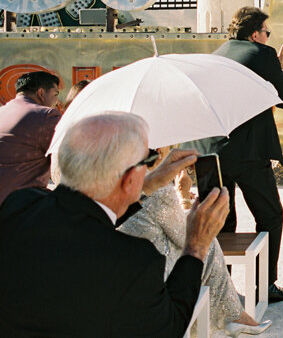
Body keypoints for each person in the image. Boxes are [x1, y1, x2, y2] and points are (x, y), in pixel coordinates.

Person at [0, 112, 229, 338]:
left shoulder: (20, 205)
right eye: (149, 159)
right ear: (128, 179)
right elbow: (169, 327)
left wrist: (146, 184)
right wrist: (196, 246)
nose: (152, 163)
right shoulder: (133, 263)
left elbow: (87, 216)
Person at [188, 6, 283, 303]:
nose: (268, 37)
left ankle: (219, 291)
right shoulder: (262, 53)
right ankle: (266, 286)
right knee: (270, 216)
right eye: (267, 32)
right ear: (254, 34)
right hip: (248, 151)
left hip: (209, 151)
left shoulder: (217, 54)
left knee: (222, 222)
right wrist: (279, 69)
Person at [118, 146, 272, 337]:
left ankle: (234, 314)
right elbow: (185, 236)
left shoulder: (109, 188)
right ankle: (234, 316)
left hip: (119, 269)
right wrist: (184, 200)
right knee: (208, 245)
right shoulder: (159, 193)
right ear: (158, 152)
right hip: (155, 274)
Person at [0, 71, 61, 206]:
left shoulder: (2, 112)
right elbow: (65, 162)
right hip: (21, 208)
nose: (57, 102)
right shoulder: (47, 116)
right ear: (41, 93)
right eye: (55, 95)